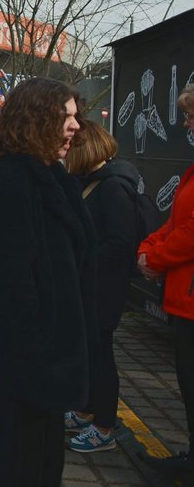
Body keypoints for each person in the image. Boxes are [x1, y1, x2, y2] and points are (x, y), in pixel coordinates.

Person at [0, 78, 96, 487]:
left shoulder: (49, 174)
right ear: (37, 119)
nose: (76, 125)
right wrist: (35, 354)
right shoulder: (14, 179)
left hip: (48, 357)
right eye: (67, 116)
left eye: (76, 115)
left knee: (39, 466)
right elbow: (10, 281)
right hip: (27, 359)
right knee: (16, 470)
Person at [63, 120, 140, 453]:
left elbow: (120, 242)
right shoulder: (95, 181)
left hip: (103, 288)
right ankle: (87, 409)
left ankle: (104, 426)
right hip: (91, 285)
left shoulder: (112, 186)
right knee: (90, 353)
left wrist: (82, 261)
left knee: (100, 355)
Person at [138, 84, 194, 470]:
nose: (186, 123)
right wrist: (148, 246)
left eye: (191, 116)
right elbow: (176, 224)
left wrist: (153, 258)